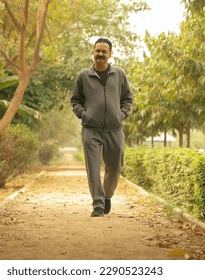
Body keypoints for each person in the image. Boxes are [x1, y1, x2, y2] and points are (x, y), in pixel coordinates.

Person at [71, 37, 132, 217]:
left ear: (110, 54)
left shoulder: (119, 74)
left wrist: (121, 115)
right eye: (97, 51)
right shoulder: (84, 75)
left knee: (115, 167)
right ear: (93, 52)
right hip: (91, 129)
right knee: (93, 167)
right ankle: (98, 204)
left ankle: (106, 196)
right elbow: (75, 100)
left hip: (114, 129)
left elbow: (127, 99)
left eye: (104, 51)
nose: (100, 54)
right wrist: (84, 114)